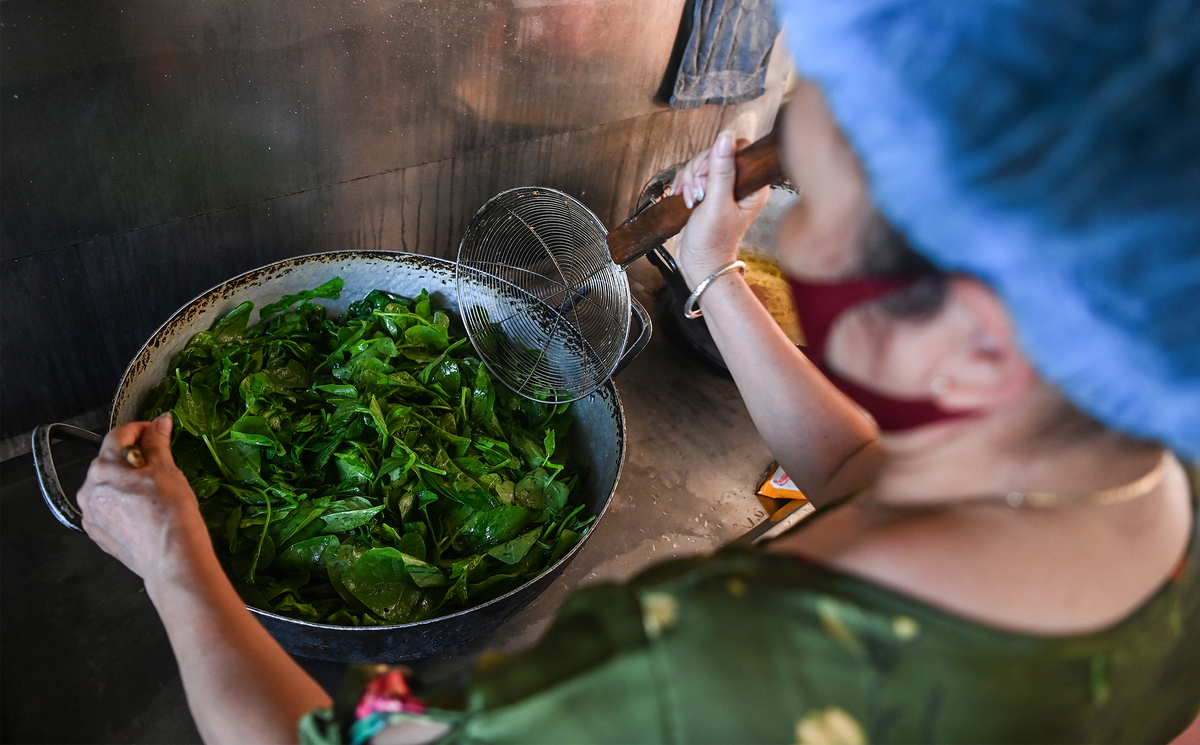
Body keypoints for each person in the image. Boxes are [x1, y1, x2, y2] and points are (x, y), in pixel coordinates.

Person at [76, 0, 1200, 742]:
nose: (797, 250)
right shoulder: (1145, 500)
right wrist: (711, 270)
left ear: (980, 344)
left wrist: (180, 564)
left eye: (833, 215)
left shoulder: (704, 663)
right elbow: (863, 465)